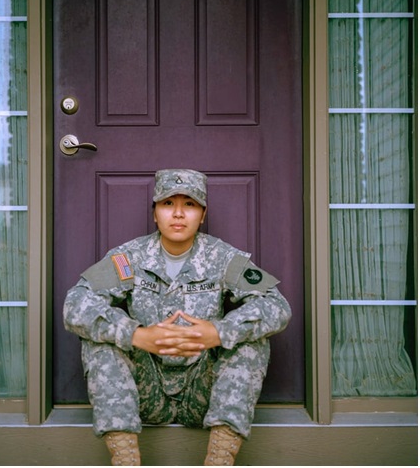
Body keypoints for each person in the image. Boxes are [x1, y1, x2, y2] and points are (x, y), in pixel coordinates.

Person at [63, 169, 291, 466]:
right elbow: (75, 303)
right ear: (155, 213)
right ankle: (125, 460)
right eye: (168, 204)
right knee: (100, 343)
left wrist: (218, 332)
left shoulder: (223, 257)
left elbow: (277, 305)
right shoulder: (129, 257)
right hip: (145, 390)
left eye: (190, 205)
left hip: (204, 391)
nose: (179, 214)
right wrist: (137, 335)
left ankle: (219, 460)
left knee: (251, 343)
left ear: (203, 214)